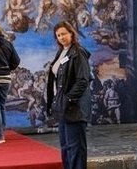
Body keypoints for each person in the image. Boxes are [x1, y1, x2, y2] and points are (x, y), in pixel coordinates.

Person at [44, 21, 93, 169]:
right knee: (66, 149)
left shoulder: (78, 52)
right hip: (64, 109)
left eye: (64, 33)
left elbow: (83, 80)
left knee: (76, 149)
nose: (61, 37)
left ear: (71, 33)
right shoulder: (62, 52)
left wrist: (68, 99)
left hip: (75, 109)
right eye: (58, 35)